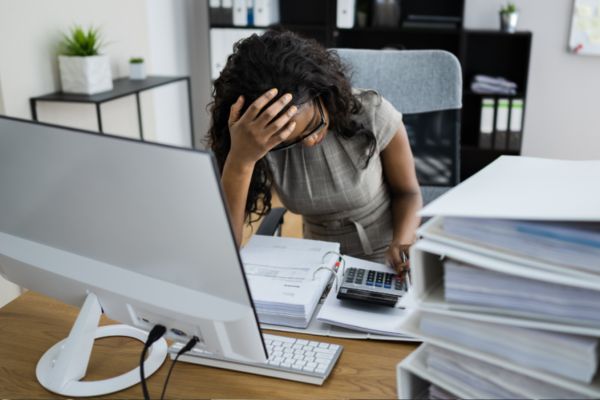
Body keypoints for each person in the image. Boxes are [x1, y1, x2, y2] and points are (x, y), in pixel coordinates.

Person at [208, 30, 422, 274]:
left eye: (315, 126)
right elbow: (224, 250)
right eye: (287, 141)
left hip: (385, 261)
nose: (310, 142)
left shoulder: (373, 114)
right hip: (315, 266)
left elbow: (409, 193)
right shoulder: (259, 139)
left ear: (323, 93)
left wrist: (403, 243)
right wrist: (240, 160)